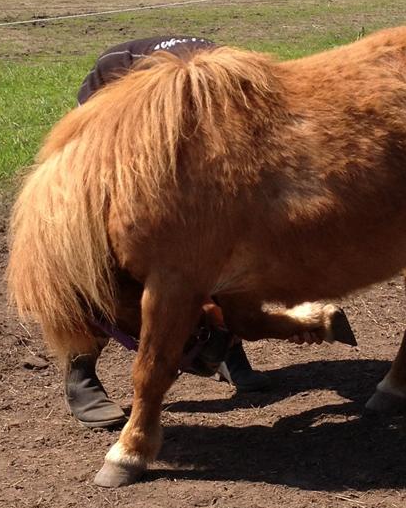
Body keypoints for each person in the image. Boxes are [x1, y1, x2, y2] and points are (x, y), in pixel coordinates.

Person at [64, 37, 265, 429]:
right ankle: (80, 372)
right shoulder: (118, 72)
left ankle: (228, 348)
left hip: (193, 149)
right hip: (118, 144)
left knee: (222, 242)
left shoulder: (235, 99)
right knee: (98, 260)